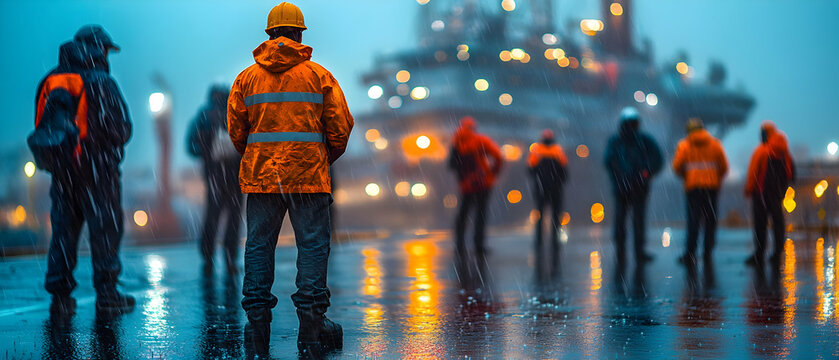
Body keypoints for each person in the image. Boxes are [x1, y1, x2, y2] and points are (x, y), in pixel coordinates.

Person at [226, 2, 353, 356]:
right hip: (308, 178)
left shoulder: (246, 79)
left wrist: (260, 158)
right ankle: (312, 326)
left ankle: (256, 327)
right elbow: (340, 129)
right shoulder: (319, 76)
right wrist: (319, 158)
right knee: (312, 248)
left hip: (262, 178)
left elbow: (236, 132)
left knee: (258, 247)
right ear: (299, 34)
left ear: (269, 35)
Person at [30, 25, 134, 315]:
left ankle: (60, 296)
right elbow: (122, 129)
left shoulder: (50, 80)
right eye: (106, 49)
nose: (107, 55)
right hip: (98, 169)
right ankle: (107, 293)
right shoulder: (102, 82)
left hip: (63, 172)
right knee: (105, 230)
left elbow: (43, 128)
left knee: (63, 231)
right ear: (98, 48)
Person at [187, 85, 243, 274]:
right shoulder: (234, 112)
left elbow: (191, 146)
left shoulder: (204, 115)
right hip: (235, 174)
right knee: (233, 217)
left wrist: (206, 151)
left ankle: (207, 255)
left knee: (213, 215)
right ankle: (230, 257)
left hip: (214, 176)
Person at [603, 107, 664, 266]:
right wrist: (644, 173)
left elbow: (657, 160)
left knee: (627, 219)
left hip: (632, 187)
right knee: (631, 220)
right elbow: (609, 161)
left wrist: (645, 173)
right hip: (632, 187)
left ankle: (627, 251)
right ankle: (631, 251)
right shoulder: (638, 141)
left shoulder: (620, 141)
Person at [672, 119, 728, 264]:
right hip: (711, 188)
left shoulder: (684, 145)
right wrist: (715, 178)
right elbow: (724, 167)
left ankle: (690, 254)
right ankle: (708, 252)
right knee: (710, 221)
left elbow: (677, 167)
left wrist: (687, 176)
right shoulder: (716, 144)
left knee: (693, 221)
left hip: (693, 188)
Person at [449, 116, 503, 258]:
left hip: (466, 184)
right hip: (482, 182)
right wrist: (493, 171)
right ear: (474, 127)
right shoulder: (481, 140)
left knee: (463, 214)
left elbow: (452, 164)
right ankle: (478, 246)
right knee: (481, 214)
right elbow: (498, 155)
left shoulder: (456, 141)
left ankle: (459, 245)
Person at [744, 121, 795, 266]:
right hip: (778, 193)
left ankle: (759, 254)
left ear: (765, 133)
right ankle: (777, 253)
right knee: (778, 223)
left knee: (760, 224)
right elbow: (790, 172)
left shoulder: (761, 151)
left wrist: (749, 189)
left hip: (761, 192)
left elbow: (753, 172)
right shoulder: (784, 151)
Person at [527, 129, 568, 274]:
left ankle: (538, 241)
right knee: (555, 217)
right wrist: (558, 183)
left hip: (541, 189)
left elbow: (530, 170)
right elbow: (565, 172)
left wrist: (540, 181)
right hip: (555, 190)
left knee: (540, 215)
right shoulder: (558, 151)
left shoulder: (536, 151)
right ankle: (554, 241)